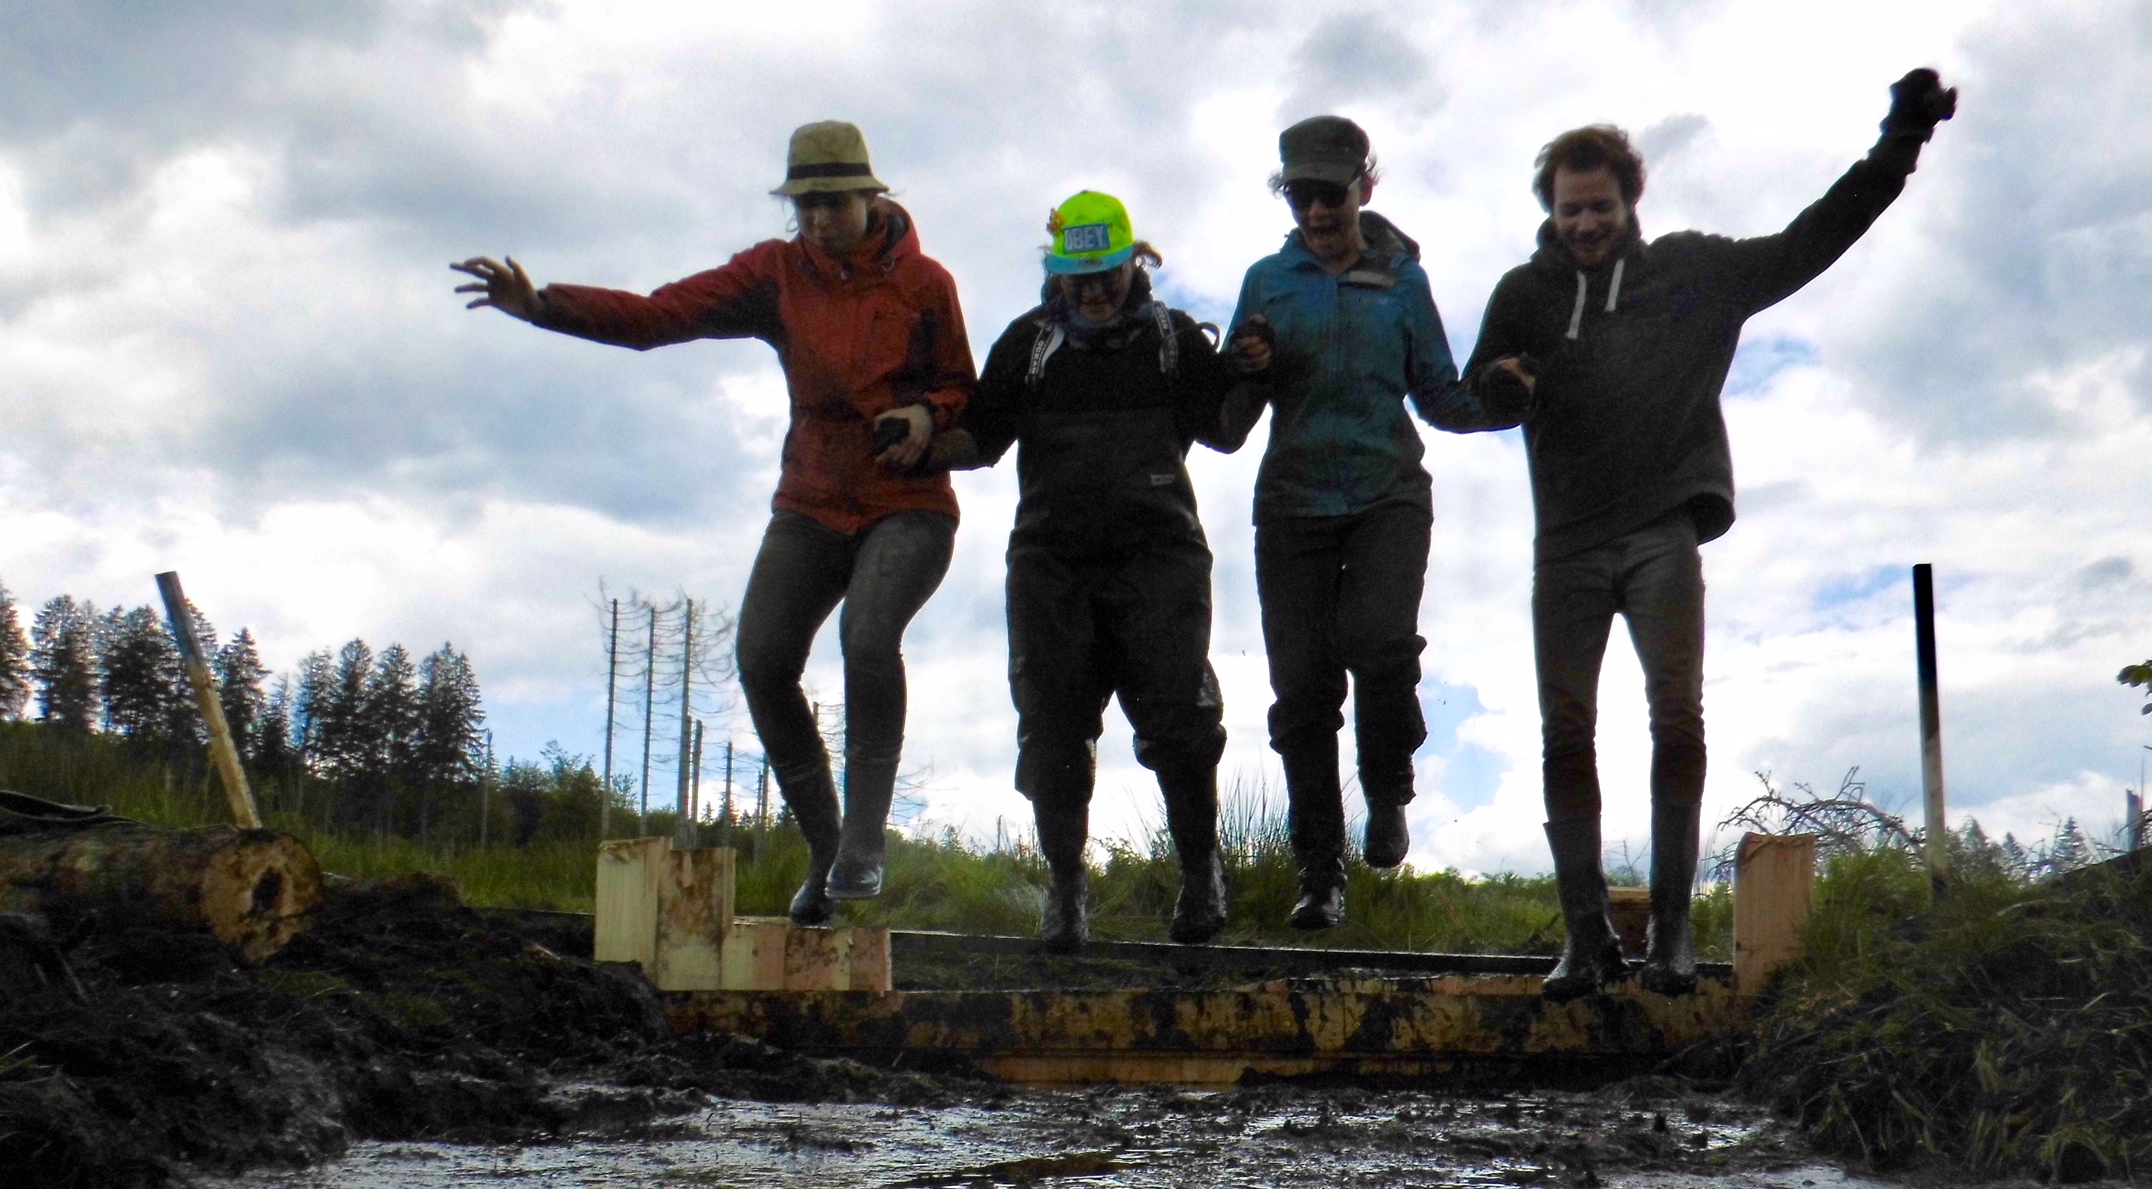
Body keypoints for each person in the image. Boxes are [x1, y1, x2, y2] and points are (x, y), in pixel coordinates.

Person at [1466, 69, 1959, 997]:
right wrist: (1500, 393)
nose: (1584, 224)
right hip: (1564, 545)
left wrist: (1901, 142)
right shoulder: (1523, 294)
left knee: (1675, 717)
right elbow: (1463, 402)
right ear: (1551, 210)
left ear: (1629, 201)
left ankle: (1672, 939)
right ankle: (1584, 941)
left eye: (1599, 206)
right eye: (1570, 211)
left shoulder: (1692, 273)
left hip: (1661, 533)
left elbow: (1813, 239)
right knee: (1563, 731)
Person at [452, 121, 975, 922]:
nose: (819, 219)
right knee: (763, 658)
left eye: (834, 202)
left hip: (907, 505)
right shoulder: (774, 274)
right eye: (804, 204)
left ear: (873, 196)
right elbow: (663, 316)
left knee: (867, 638)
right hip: (810, 498)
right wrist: (545, 306)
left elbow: (965, 392)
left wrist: (924, 415)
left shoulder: (925, 283)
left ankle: (867, 838)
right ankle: (826, 847)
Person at [924, 192, 1262, 952]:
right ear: (1057, 274)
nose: (1095, 291)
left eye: (1106, 273)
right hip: (1051, 565)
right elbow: (980, 438)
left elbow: (1227, 433)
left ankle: (1201, 873)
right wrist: (921, 440)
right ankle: (1066, 888)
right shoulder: (1028, 345)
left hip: (1161, 560)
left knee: (1180, 721)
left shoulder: (1176, 341)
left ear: (1133, 262)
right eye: (1079, 279)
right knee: (1051, 727)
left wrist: (1256, 373)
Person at [1222, 115, 1501, 931]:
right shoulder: (1266, 283)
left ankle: (1388, 790)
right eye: (1300, 194)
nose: (1315, 210)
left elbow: (1443, 397)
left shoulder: (1404, 282)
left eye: (1329, 193)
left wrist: (1511, 401)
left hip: (1387, 494)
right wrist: (1243, 366)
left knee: (1376, 642)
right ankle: (1320, 871)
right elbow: (1231, 416)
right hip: (1292, 505)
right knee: (1302, 691)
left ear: (1364, 188)